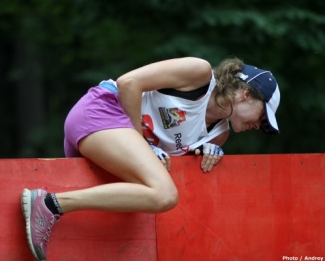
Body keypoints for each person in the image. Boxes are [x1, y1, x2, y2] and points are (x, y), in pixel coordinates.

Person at [21, 57, 280, 261]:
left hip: (110, 144)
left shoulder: (218, 135)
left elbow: (165, 164)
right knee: (165, 195)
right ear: (245, 94)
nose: (259, 126)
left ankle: (51, 207)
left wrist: (200, 156)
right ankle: (50, 204)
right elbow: (128, 83)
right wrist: (143, 143)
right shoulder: (200, 74)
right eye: (262, 117)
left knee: (149, 202)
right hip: (102, 110)